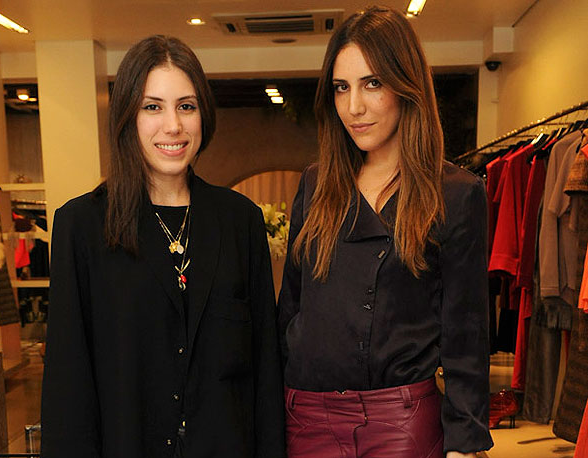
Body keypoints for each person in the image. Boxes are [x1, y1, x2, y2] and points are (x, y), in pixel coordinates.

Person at [40, 35, 285, 458]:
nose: (173, 125)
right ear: (128, 117)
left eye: (186, 106)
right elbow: (68, 382)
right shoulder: (82, 225)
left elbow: (265, 369)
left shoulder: (240, 220)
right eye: (153, 107)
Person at [278, 6, 493, 458]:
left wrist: (464, 441)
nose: (353, 107)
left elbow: (466, 332)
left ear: (405, 85)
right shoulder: (315, 184)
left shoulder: (455, 193)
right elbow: (291, 308)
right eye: (341, 87)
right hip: (307, 417)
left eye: (372, 83)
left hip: (400, 421)